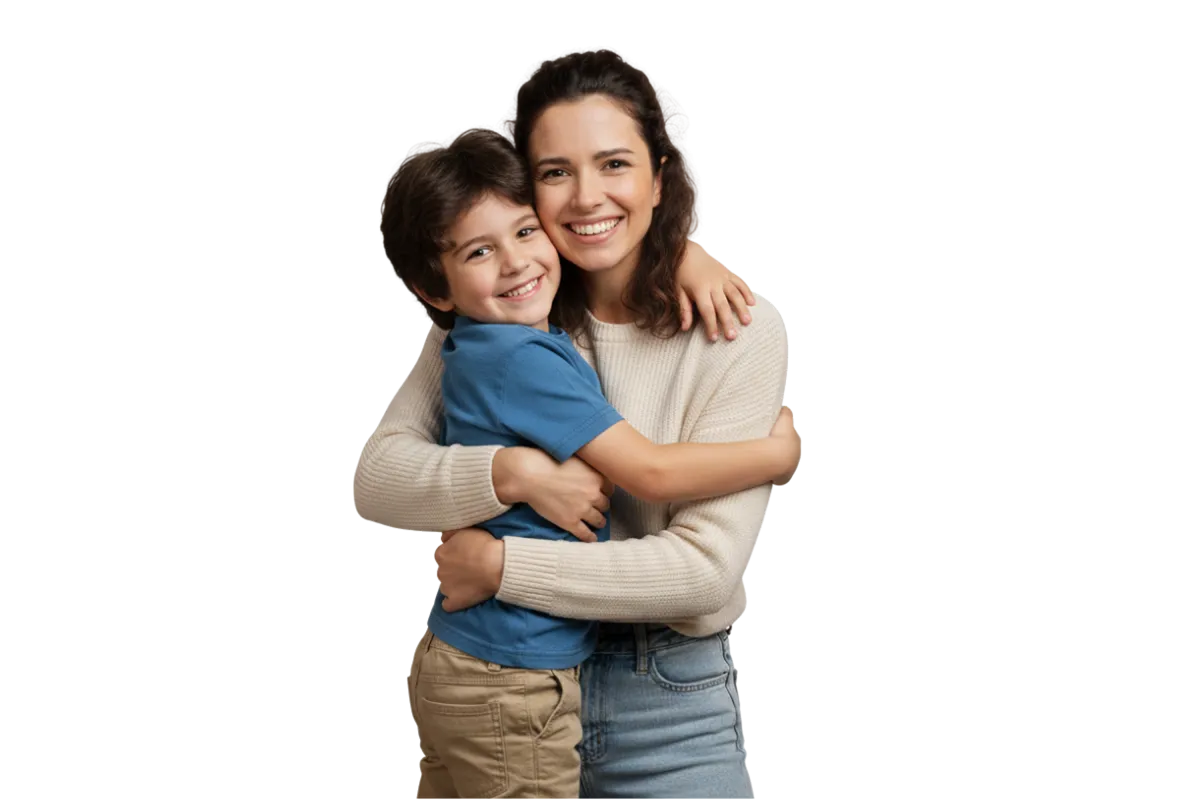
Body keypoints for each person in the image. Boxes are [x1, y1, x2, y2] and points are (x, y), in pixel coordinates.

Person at [355, 46, 792, 798]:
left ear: (660, 176)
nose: (587, 198)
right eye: (556, 172)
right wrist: (514, 474)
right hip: (503, 679)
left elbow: (701, 573)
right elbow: (380, 480)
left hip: (667, 706)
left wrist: (504, 567)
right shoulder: (512, 307)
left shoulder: (735, 327)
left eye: (615, 164)